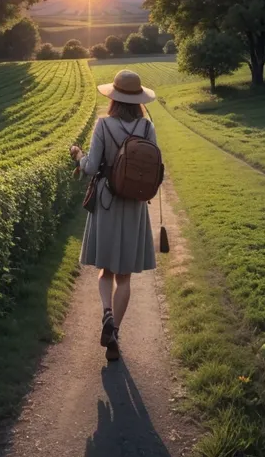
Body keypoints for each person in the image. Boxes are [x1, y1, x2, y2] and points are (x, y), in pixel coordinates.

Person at [70, 69, 157, 362]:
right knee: (125, 276)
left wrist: (77, 155)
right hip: (134, 204)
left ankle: (106, 312)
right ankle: (115, 333)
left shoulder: (103, 125)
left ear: (114, 97)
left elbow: (92, 167)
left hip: (107, 201)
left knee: (105, 270)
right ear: (138, 99)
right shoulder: (147, 127)